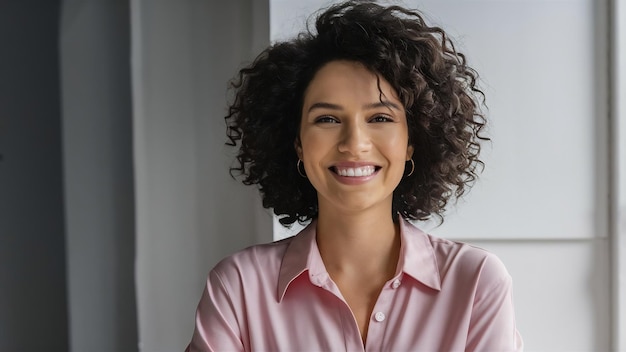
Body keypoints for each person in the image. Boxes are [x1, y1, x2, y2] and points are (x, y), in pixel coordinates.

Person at [185, 1, 523, 351]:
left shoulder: (476, 281)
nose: (354, 144)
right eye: (327, 119)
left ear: (413, 141)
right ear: (297, 143)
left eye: (380, 118)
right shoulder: (238, 287)